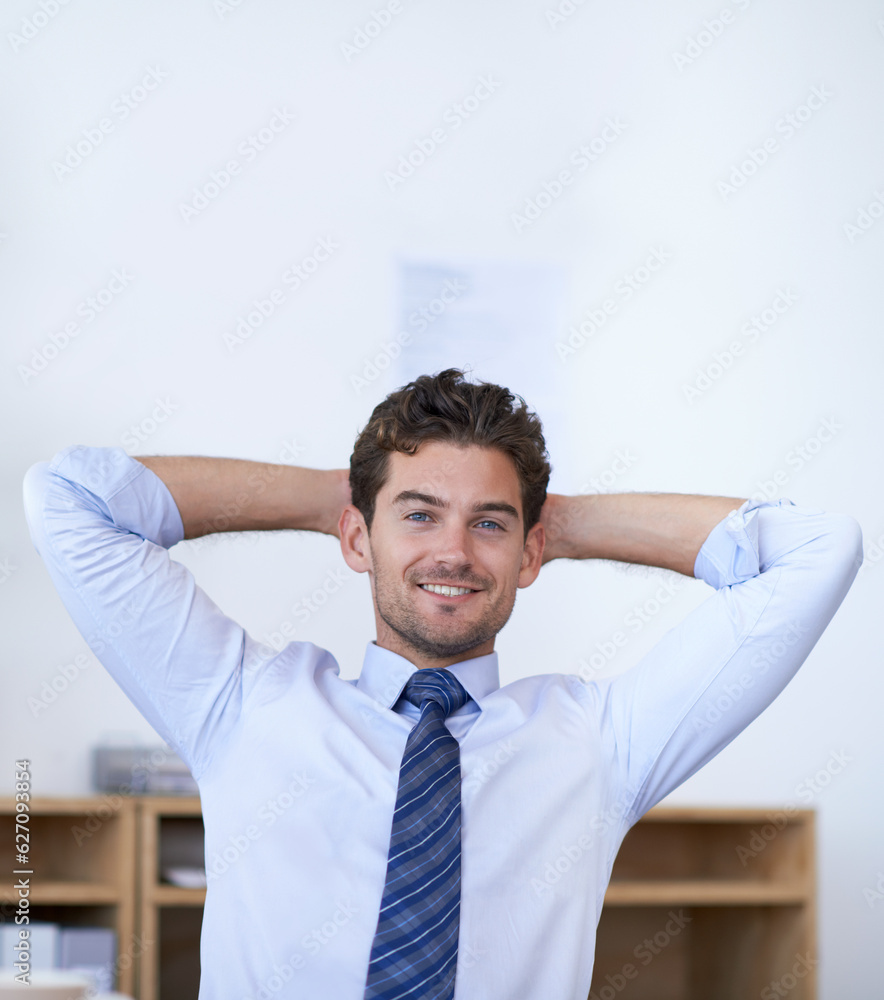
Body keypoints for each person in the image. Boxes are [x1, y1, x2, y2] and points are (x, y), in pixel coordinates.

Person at [24, 368, 862, 1000]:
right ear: (358, 541)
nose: (454, 553)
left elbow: (817, 551)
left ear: (529, 555)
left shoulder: (600, 742)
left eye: (488, 525)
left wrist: (556, 521)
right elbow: (68, 498)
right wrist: (335, 498)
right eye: (419, 515)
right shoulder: (244, 707)